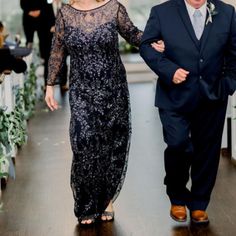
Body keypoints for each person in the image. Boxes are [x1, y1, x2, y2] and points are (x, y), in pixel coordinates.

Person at [45, 0, 164, 226]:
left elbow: (132, 34)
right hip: (81, 90)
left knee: (111, 144)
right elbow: (57, 49)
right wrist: (50, 85)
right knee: (84, 143)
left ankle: (106, 199)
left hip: (113, 88)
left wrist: (152, 42)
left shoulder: (113, 9)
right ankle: (86, 204)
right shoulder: (65, 14)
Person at [140, 0, 236, 225]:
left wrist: (228, 84)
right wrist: (169, 70)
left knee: (207, 151)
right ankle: (176, 195)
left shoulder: (227, 12)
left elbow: (234, 54)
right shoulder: (162, 12)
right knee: (177, 144)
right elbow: (146, 46)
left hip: (213, 96)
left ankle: (200, 204)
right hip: (174, 96)